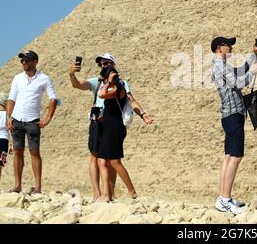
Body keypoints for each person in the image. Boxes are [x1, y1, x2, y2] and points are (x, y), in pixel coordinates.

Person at [69, 53, 153, 202]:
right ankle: (98, 194)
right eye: (100, 64)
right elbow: (77, 85)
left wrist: (143, 114)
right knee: (96, 158)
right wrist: (71, 74)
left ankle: (110, 194)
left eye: (106, 63)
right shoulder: (96, 81)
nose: (103, 66)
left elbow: (131, 101)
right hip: (97, 122)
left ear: (113, 65)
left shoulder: (122, 84)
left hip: (111, 123)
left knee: (110, 160)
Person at [211, 37, 257, 214]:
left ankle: (224, 198)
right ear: (219, 48)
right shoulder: (220, 66)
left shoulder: (221, 64)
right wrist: (253, 72)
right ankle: (225, 200)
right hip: (233, 115)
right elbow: (240, 82)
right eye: (228, 45)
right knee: (236, 157)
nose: (231, 47)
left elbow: (239, 72)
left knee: (229, 157)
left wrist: (252, 56)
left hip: (229, 115)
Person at [6, 50, 59, 194]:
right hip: (17, 119)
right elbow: (11, 99)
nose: (24, 63)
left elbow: (53, 98)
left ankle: (38, 187)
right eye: (22, 60)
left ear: (35, 62)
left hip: (33, 121)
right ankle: (17, 185)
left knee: (34, 152)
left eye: (27, 60)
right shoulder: (17, 78)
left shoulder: (44, 78)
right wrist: (8, 118)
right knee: (17, 151)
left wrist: (47, 119)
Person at [96, 66, 136, 201]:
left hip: (115, 129)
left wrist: (109, 82)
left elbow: (102, 95)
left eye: (105, 77)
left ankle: (131, 191)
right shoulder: (111, 88)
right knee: (101, 160)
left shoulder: (118, 89)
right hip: (107, 128)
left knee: (114, 162)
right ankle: (106, 195)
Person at [0, 92, 12, 179]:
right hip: (4, 141)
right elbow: (11, 131)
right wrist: (12, 145)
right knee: (0, 164)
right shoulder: (9, 116)